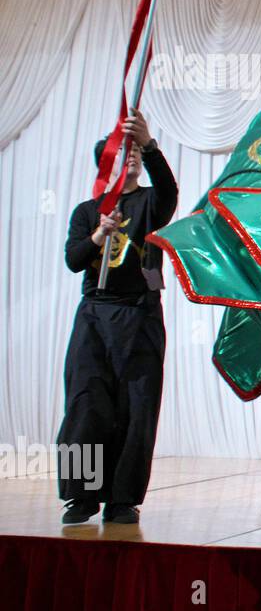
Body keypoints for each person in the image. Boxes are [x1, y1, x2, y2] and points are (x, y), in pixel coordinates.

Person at [58, 110, 178, 525]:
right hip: (95, 315)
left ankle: (123, 498)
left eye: (135, 155)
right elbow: (75, 260)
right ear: (104, 163)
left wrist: (149, 143)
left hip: (139, 315)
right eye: (123, 153)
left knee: (137, 407)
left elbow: (169, 191)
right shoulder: (86, 211)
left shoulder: (149, 203)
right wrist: (98, 235)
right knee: (86, 405)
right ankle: (80, 495)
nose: (131, 159)